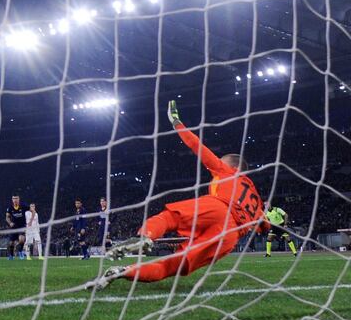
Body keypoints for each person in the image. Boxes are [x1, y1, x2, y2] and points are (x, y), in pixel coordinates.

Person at [96, 101, 269, 289]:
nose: (220, 161)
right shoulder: (256, 199)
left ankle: (145, 237)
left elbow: (198, 146)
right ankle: (125, 271)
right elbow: (264, 226)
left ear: (234, 167)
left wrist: (177, 123)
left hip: (218, 207)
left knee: (170, 217)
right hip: (230, 237)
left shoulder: (227, 172)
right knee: (172, 266)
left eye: (223, 160)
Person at [5, 195, 28, 260]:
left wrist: (31, 218)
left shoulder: (23, 206)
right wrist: (10, 223)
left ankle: (20, 252)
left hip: (22, 226)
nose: (15, 200)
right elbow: (7, 217)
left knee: (21, 239)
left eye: (16, 198)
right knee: (11, 243)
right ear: (12, 199)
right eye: (13, 198)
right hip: (14, 227)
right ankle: (11, 256)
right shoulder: (9, 208)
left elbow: (31, 210)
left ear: (19, 199)